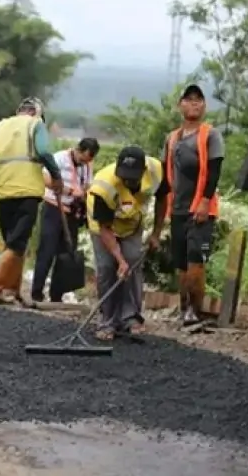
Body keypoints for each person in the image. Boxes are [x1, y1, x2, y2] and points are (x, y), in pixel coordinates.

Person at [0, 97, 64, 306]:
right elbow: (43, 151)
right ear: (37, 113)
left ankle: (13, 290)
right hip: (27, 192)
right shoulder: (36, 124)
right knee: (16, 243)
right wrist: (56, 176)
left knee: (14, 244)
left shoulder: (0, 127)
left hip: (4, 192)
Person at [86, 145, 169, 341]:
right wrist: (118, 259)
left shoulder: (156, 170)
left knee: (132, 263)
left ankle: (131, 318)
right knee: (107, 268)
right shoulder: (103, 187)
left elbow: (162, 198)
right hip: (103, 227)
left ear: (143, 171)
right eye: (124, 176)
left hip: (131, 224)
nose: (128, 181)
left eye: (133, 177)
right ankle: (107, 321)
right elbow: (105, 229)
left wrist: (156, 233)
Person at [162, 84, 224, 326]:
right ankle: (183, 306)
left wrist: (205, 202)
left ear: (204, 106)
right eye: (189, 100)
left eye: (199, 100)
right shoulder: (172, 138)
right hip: (177, 207)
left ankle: (195, 311)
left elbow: (215, 170)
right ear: (181, 105)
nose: (194, 103)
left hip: (200, 208)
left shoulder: (210, 135)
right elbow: (165, 172)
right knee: (180, 261)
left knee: (195, 258)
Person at [31, 137, 99, 303]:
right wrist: (67, 191)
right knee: (47, 250)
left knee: (66, 253)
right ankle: (37, 293)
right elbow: (46, 179)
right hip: (54, 208)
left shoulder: (88, 165)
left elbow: (88, 186)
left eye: (88, 160)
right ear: (78, 150)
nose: (85, 162)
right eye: (83, 158)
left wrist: (84, 194)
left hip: (72, 214)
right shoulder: (59, 158)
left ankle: (57, 295)